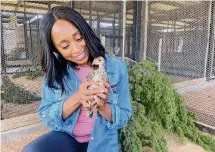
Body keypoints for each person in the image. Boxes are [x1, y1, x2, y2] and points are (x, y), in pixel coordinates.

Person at [22, 6, 132, 152]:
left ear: (86, 32)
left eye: (79, 38)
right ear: (55, 49)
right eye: (65, 46)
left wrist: (102, 106)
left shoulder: (116, 68)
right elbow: (46, 114)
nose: (76, 49)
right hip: (67, 138)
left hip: (103, 143)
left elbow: (124, 115)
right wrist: (78, 98)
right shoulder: (55, 73)